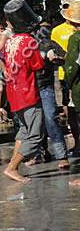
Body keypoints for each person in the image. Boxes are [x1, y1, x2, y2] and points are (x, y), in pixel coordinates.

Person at [2, 0, 45, 184]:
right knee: (35, 135)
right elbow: (38, 65)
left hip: (14, 94)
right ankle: (12, 167)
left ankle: (13, 167)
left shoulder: (10, 41)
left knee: (23, 132)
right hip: (28, 94)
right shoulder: (29, 41)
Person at [35, 22, 69, 168]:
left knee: (50, 118)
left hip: (45, 86)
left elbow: (64, 57)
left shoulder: (48, 43)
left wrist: (55, 57)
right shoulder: (25, 44)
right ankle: (40, 153)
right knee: (35, 122)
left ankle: (61, 155)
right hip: (29, 88)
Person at [53, 0, 80, 156]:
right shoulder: (57, 31)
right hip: (63, 75)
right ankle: (77, 142)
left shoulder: (75, 37)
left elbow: (73, 63)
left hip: (73, 77)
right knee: (69, 110)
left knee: (75, 110)